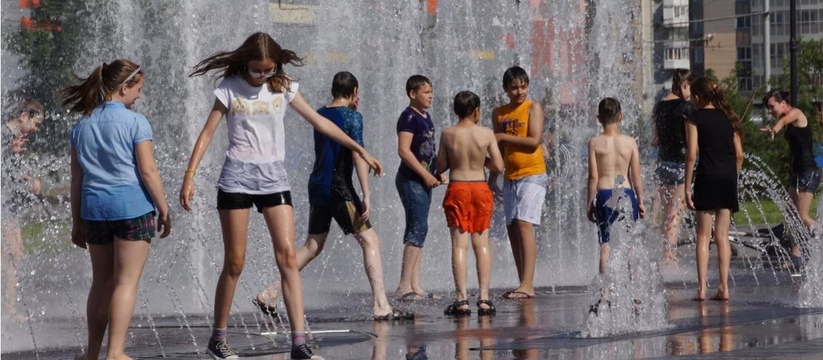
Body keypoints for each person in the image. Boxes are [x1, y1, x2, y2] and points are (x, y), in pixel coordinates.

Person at [180, 32, 381, 360]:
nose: (262, 77)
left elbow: (320, 122)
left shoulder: (283, 86)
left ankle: (298, 343)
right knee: (235, 262)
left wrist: (361, 149)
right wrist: (190, 175)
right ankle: (218, 339)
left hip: (274, 179)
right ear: (246, 63)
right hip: (237, 180)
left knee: (288, 257)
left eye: (268, 70)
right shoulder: (230, 87)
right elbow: (207, 131)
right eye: (257, 71)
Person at [253, 71, 410, 321]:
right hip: (339, 188)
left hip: (317, 185)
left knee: (313, 245)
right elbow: (357, 155)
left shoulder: (320, 112)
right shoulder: (353, 117)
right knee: (370, 240)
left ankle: (270, 293)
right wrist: (366, 194)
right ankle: (381, 305)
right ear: (355, 93)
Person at [61, 59, 172, 360]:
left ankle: (92, 354)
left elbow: (76, 179)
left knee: (101, 283)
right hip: (132, 210)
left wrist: (76, 222)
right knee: (125, 283)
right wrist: (164, 209)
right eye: (138, 90)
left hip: (94, 211)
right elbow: (148, 172)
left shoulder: (82, 125)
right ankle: (116, 354)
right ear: (124, 88)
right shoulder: (136, 123)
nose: (139, 96)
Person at [436, 91, 504, 316]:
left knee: (459, 246)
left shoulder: (448, 134)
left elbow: (441, 166)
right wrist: (480, 158)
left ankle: (461, 299)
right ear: (477, 111)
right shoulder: (486, 133)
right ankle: (484, 298)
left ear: (456, 110)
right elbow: (498, 166)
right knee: (481, 245)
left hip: (457, 188)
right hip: (480, 188)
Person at [488, 66, 547, 300]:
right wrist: (492, 178)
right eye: (514, 87)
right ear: (505, 89)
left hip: (532, 173)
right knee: (512, 228)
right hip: (510, 176)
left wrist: (502, 136)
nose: (519, 92)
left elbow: (534, 141)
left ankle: (527, 284)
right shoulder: (499, 113)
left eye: (523, 86)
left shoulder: (533, 108)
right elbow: (498, 149)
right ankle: (522, 282)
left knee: (524, 224)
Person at [684, 77, 744, 302]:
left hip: (706, 177)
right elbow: (739, 155)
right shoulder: (729, 117)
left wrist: (688, 186)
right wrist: (733, 175)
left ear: (698, 97)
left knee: (703, 236)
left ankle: (701, 289)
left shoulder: (694, 118)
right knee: (722, 236)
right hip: (727, 178)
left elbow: (691, 155)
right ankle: (724, 287)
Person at [761, 88, 821, 270]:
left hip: (807, 172)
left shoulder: (796, 113)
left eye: (772, 107)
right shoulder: (788, 118)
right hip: (797, 173)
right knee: (791, 216)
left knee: (802, 216)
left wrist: (774, 129)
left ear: (783, 103)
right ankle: (796, 259)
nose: (770, 112)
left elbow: (784, 119)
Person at [586, 98, 646, 274]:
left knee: (605, 244)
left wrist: (589, 203)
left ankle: (605, 293)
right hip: (626, 192)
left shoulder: (594, 143)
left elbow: (592, 176)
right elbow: (636, 175)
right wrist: (641, 200)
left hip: (605, 194)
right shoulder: (630, 142)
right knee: (631, 245)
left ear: (599, 119)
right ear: (621, 117)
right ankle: (635, 290)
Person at [394, 75, 440, 301]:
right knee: (416, 228)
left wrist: (437, 172)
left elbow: (429, 150)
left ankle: (415, 283)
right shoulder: (408, 117)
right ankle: (404, 286)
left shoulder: (426, 117)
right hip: (411, 180)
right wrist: (424, 174)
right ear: (413, 94)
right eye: (426, 92)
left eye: (431, 91)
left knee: (421, 229)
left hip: (423, 180)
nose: (431, 95)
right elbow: (404, 150)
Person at [1, 98, 45, 321]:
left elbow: (10, 173)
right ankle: (8, 309)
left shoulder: (17, 138)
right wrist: (8, 150)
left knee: (14, 253)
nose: (36, 129)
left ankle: (9, 308)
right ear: (24, 115)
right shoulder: (4, 132)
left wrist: (29, 179)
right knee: (12, 253)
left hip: (7, 206)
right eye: (35, 123)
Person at [651, 69, 695, 265]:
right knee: (674, 213)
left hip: (662, 163)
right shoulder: (686, 108)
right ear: (685, 85)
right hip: (680, 163)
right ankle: (668, 257)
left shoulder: (659, 106)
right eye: (690, 89)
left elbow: (655, 140)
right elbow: (690, 140)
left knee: (666, 213)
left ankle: (665, 253)